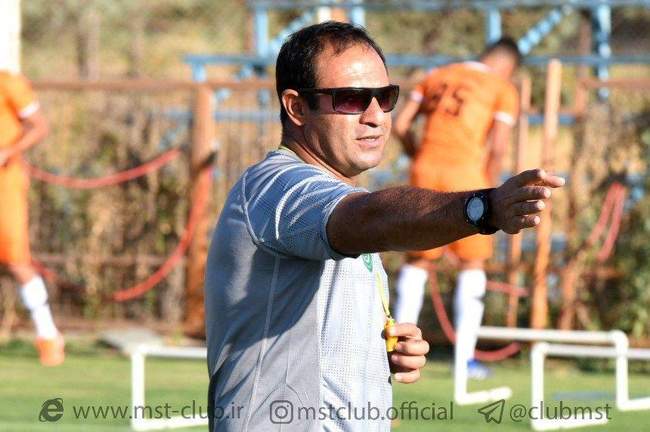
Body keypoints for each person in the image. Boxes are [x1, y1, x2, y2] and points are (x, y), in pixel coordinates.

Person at [204, 22, 562, 431]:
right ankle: (465, 356)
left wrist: (376, 355)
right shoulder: (277, 186)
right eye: (352, 100)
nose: (376, 117)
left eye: (385, 97)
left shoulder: (344, 196)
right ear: (297, 107)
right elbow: (373, 216)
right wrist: (485, 207)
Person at [392, 37, 522, 380]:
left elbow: (401, 125)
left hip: (424, 169)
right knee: (472, 263)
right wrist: (493, 195)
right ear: (508, 66)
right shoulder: (502, 88)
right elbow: (498, 149)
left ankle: (397, 354)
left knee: (417, 260)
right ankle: (464, 360)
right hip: (466, 175)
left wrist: (416, 154)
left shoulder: (436, 75)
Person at [0, 71, 64, 366]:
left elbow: (39, 126)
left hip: (6, 183)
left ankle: (47, 334)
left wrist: (8, 151)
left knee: (16, 259)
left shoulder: (8, 83)